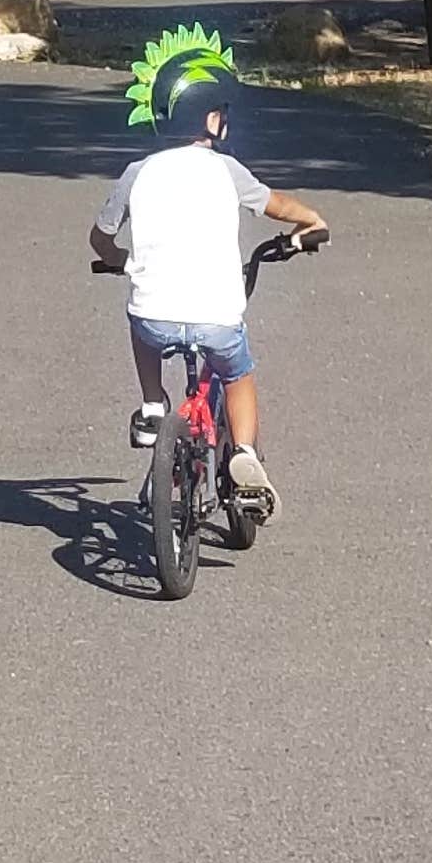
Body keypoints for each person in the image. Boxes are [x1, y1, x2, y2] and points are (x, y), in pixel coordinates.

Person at [87, 39, 327, 522]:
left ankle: (154, 405)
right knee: (237, 373)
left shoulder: (138, 172)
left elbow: (101, 237)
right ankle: (244, 454)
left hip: (156, 315)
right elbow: (274, 204)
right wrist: (312, 222)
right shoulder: (226, 170)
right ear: (210, 120)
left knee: (141, 321)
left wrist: (118, 258)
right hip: (216, 316)